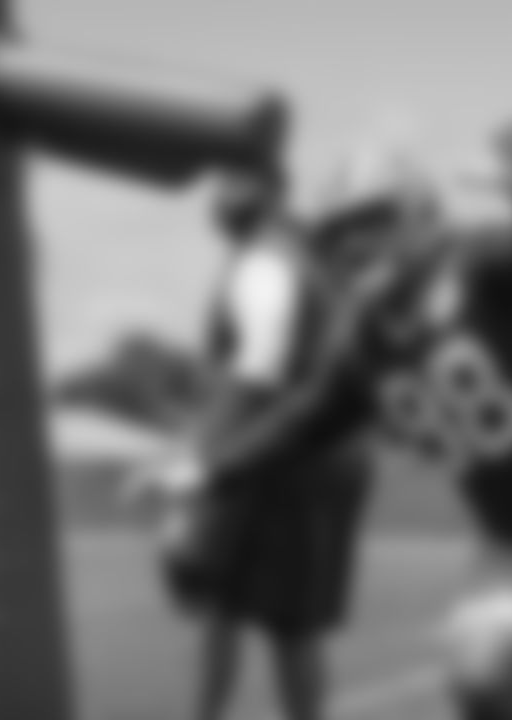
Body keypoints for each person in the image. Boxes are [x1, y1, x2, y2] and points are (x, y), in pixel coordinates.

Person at [143, 118, 512, 720]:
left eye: (373, 222)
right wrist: (211, 467)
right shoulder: (365, 346)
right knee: (484, 681)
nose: (354, 246)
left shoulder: (481, 276)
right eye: (337, 234)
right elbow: (301, 422)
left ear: (420, 217)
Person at [155, 165, 374, 720]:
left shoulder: (266, 259)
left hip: (276, 452)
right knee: (249, 613)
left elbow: (261, 364)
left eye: (237, 182)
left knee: (263, 616)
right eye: (221, 183)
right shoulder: (310, 258)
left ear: (273, 193)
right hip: (323, 452)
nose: (221, 195)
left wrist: (203, 460)